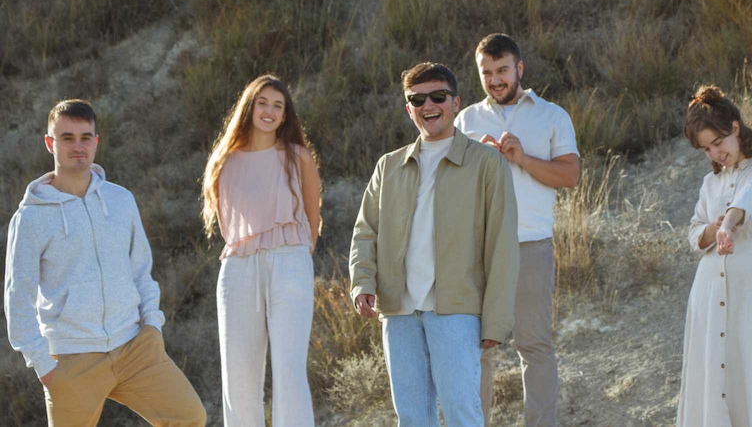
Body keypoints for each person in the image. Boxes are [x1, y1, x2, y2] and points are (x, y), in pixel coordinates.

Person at [4, 99, 206, 426]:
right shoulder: (30, 218)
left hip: (135, 347)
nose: (78, 146)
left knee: (189, 417)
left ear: (96, 142)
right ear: (50, 143)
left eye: (85, 137)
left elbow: (141, 271)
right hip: (72, 359)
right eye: (67, 138)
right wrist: (45, 367)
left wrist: (152, 326)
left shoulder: (120, 200)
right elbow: (18, 299)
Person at [350, 62, 520, 426]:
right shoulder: (388, 166)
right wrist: (362, 282)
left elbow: (502, 246)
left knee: (462, 414)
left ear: (455, 102)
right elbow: (366, 232)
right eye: (418, 99)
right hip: (398, 311)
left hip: (457, 310)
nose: (429, 105)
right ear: (408, 108)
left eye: (438, 96)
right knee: (412, 418)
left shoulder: (487, 163)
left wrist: (496, 320)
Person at [455, 33, 579, 426]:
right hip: (477, 250)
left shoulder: (552, 115)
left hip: (531, 245)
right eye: (487, 72)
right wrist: (476, 162)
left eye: (503, 70)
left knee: (534, 346)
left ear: (519, 68)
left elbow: (570, 175)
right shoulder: (465, 120)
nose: (495, 80)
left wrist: (522, 158)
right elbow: (446, 186)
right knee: (475, 350)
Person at [201, 74, 321, 427]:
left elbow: (313, 217)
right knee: (238, 375)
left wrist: (296, 255)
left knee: (289, 371)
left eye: (278, 106)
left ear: (285, 115)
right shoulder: (225, 160)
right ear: (249, 107)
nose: (269, 111)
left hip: (290, 261)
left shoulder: (298, 156)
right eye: (262, 103)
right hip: (239, 266)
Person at [677, 86, 752, 425]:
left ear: (735, 127)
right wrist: (712, 229)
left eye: (718, 142)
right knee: (713, 384)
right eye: (706, 149)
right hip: (708, 294)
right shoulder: (710, 184)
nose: (715, 153)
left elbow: (749, 198)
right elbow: (694, 233)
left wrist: (727, 225)